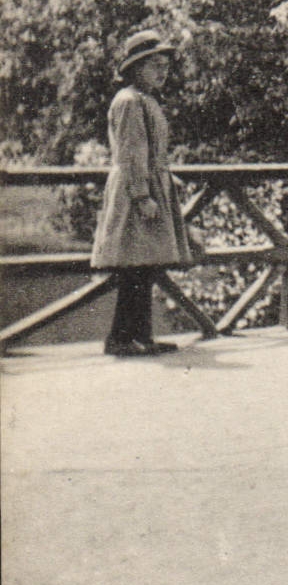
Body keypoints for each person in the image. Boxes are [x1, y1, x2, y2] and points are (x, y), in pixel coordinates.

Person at [90, 30, 194, 356]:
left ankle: (142, 336)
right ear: (136, 68)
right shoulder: (128, 101)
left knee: (146, 265)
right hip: (135, 193)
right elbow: (131, 153)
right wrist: (141, 195)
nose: (162, 72)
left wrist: (165, 180)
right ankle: (120, 338)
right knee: (134, 266)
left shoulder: (147, 100)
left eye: (165, 65)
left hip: (151, 187)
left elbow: (151, 152)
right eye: (154, 66)